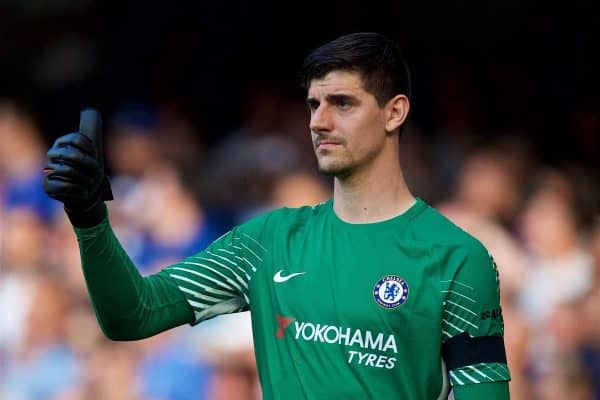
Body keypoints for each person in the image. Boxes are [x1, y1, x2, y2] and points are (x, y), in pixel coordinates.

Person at [42, 32, 511, 399]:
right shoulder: (268, 241)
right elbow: (132, 315)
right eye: (313, 104)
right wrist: (88, 218)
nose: (318, 121)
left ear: (394, 112)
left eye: (342, 103)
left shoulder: (458, 259)